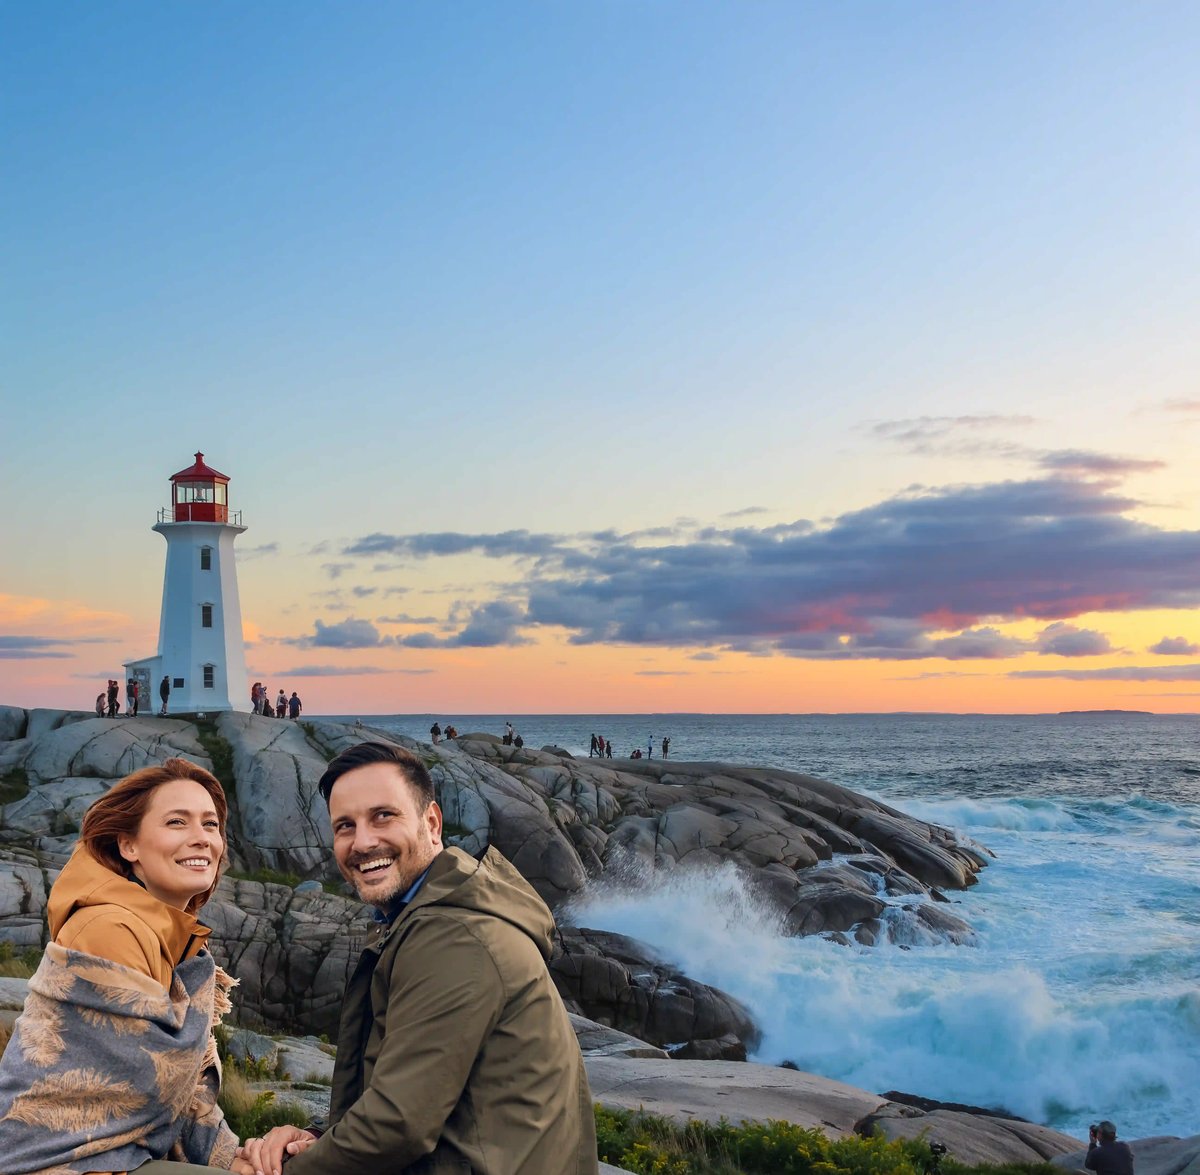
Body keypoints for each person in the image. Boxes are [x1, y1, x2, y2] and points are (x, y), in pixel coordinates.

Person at [238, 742, 598, 1175]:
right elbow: (415, 1097)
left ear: (431, 823)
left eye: (383, 816)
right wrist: (313, 1140)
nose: (362, 842)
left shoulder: (454, 938)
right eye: (345, 826)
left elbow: (398, 1125)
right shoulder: (429, 918)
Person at [0, 758, 251, 1175]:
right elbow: (150, 1080)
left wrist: (231, 1156)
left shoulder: (176, 941)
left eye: (210, 824)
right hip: (59, 1160)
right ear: (128, 846)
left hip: (114, 1152)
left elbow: (182, 1091)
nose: (201, 838)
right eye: (177, 822)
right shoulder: (109, 927)